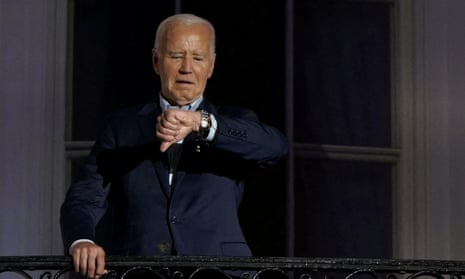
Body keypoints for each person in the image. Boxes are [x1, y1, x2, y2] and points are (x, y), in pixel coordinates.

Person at [60, 13, 288, 279]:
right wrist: (81, 241)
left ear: (211, 66)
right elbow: (85, 196)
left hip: (219, 274)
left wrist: (201, 123)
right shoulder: (122, 127)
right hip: (139, 272)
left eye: (198, 58)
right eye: (177, 56)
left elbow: (275, 146)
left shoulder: (234, 123)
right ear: (156, 61)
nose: (187, 68)